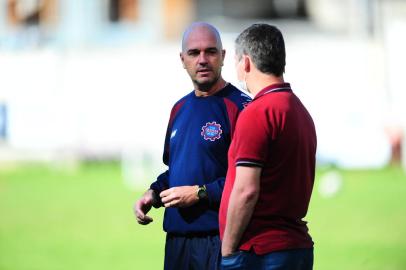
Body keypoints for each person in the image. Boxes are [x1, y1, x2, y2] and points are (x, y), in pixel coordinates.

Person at [134, 22, 251, 270]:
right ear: (182, 59)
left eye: (210, 51)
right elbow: (178, 170)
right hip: (177, 240)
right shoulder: (179, 109)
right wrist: (153, 193)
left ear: (223, 56)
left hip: (221, 240)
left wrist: (199, 193)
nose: (202, 59)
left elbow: (248, 181)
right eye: (194, 53)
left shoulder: (241, 108)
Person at [219, 24, 317, 269]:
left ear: (247, 63)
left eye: (236, 61)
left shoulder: (257, 112)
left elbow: (246, 191)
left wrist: (228, 250)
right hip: (295, 247)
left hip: (260, 251)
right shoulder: (300, 110)